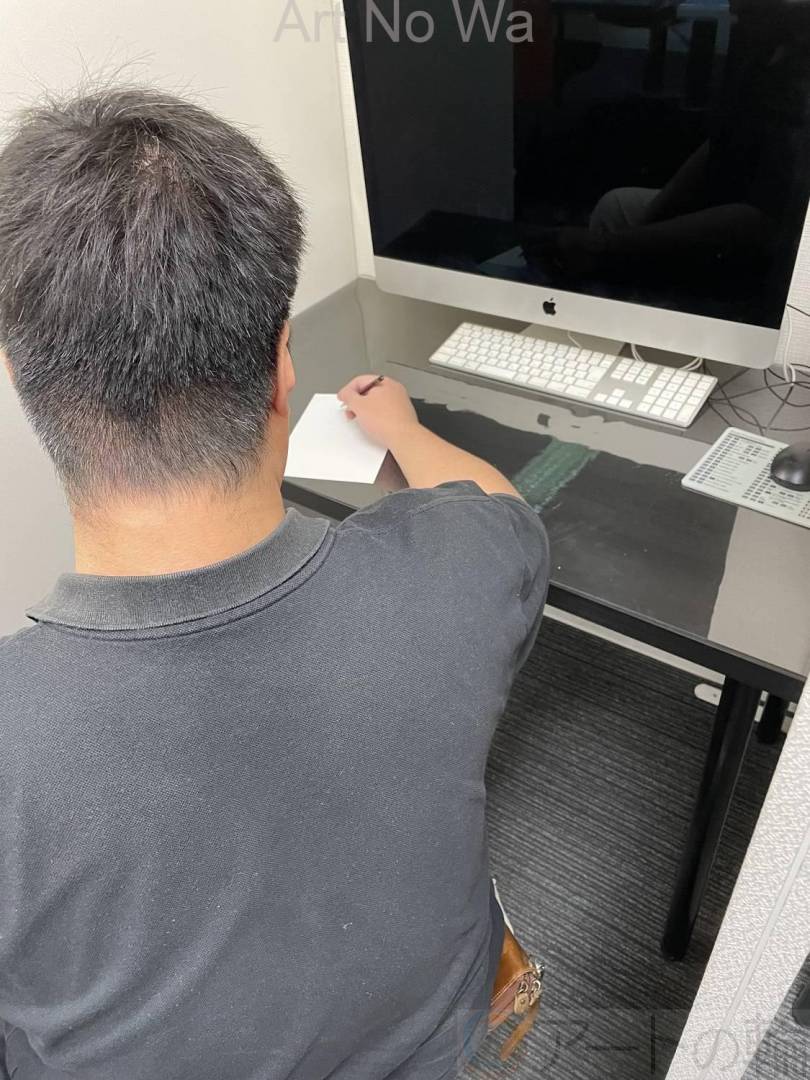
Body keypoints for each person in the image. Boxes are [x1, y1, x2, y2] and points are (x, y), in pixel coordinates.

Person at [0, 88, 549, 1080]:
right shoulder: (465, 569)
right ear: (283, 363)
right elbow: (497, 505)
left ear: (19, 373)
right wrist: (403, 432)